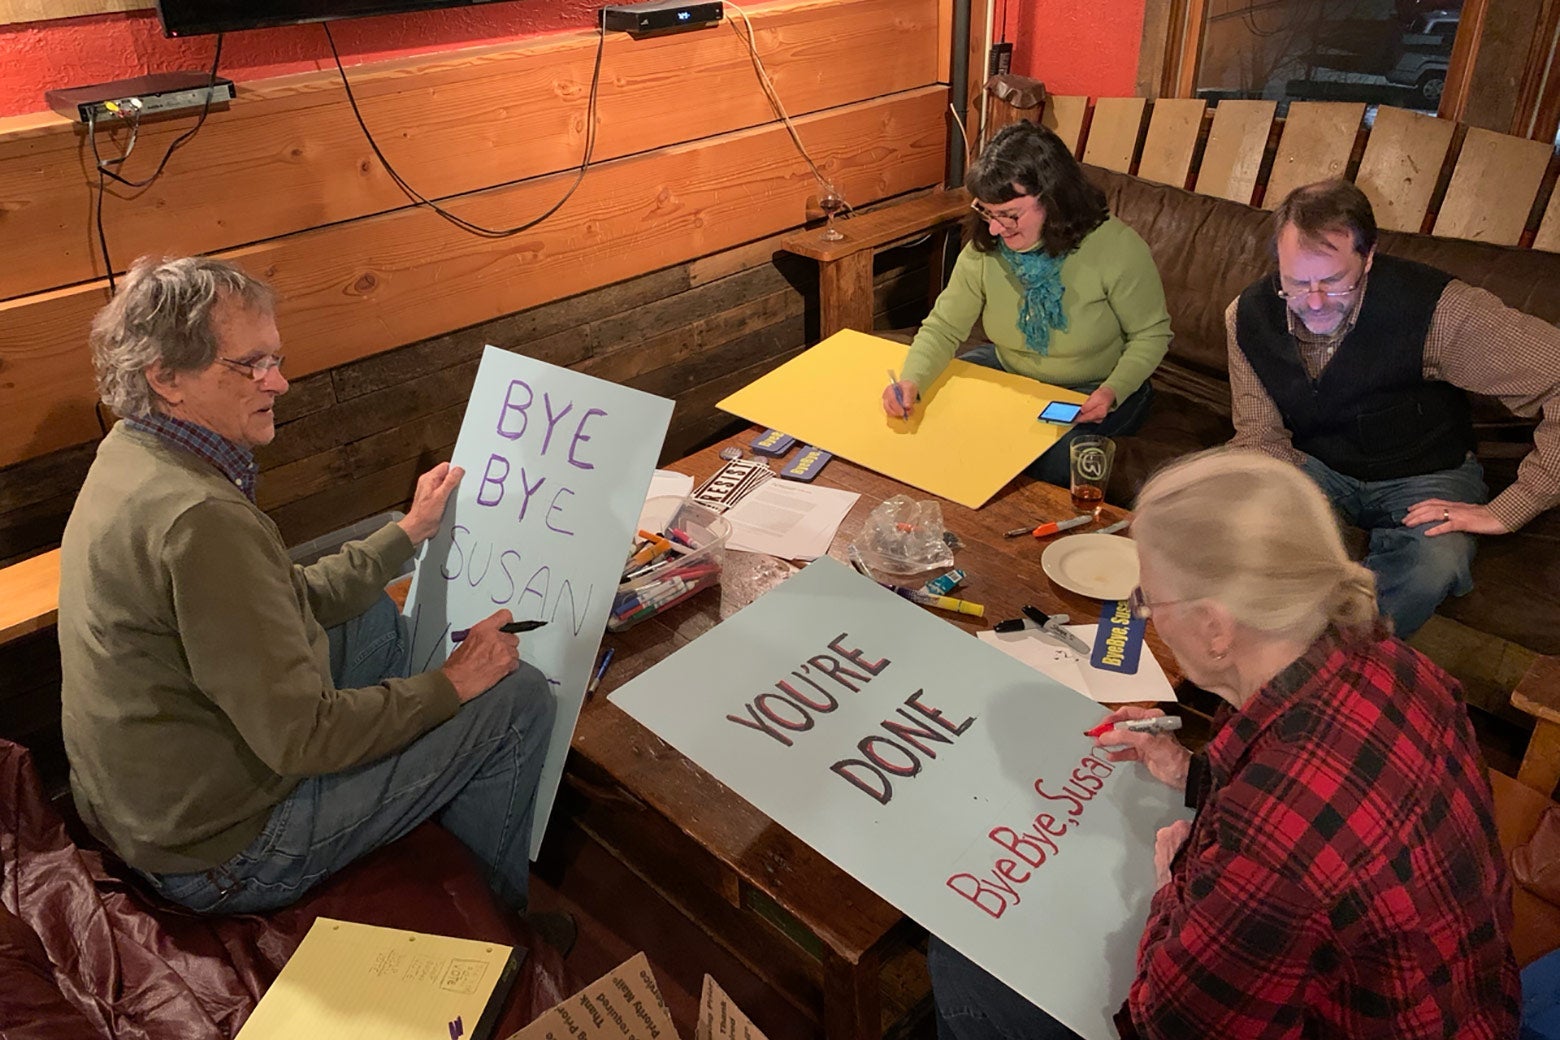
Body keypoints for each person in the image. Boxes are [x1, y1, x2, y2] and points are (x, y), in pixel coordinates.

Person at [929, 449, 1519, 1039]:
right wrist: (1191, 773)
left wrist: (1170, 883)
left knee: (961, 957)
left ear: (1214, 625)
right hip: (1466, 1005)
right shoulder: (1395, 663)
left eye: (1150, 601)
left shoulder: (1270, 838)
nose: (1149, 617)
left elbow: (1167, 1025)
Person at [57, 256, 557, 918]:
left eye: (277, 358)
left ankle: (429, 776)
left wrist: (406, 533)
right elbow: (303, 739)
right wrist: (453, 685)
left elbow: (277, 600)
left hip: (145, 800)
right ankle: (501, 917)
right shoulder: (200, 518)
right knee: (517, 698)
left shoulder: (134, 451)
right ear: (167, 378)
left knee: (369, 615)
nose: (281, 382)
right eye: (253, 365)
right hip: (216, 855)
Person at [1227, 178, 1560, 638]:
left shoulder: (1442, 311)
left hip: (1427, 473)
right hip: (1318, 463)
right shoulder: (1245, 317)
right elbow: (1260, 438)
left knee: (1434, 564)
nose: (1315, 302)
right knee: (1233, 515)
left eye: (1334, 282)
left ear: (1368, 257)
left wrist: (1512, 507)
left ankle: (1337, 670)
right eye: (1297, 284)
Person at [882, 121, 1172, 488]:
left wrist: (1112, 391)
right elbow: (943, 326)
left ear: (1053, 199)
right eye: (988, 212)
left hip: (1095, 385)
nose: (995, 229)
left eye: (1010, 214)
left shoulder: (1117, 248)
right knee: (933, 413)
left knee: (1050, 459)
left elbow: (1151, 333)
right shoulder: (985, 249)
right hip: (1008, 369)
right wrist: (912, 380)